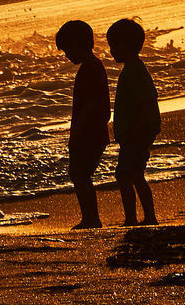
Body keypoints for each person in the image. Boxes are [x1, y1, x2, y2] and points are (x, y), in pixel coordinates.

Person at [55, 20, 110, 229]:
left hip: (89, 132)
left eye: (68, 49)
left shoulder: (90, 69)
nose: (67, 55)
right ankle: (90, 217)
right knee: (80, 173)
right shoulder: (92, 67)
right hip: (92, 131)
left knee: (80, 174)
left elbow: (91, 105)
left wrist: (77, 133)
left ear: (78, 44)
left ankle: (91, 218)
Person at [106, 18, 161, 227]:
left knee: (132, 173)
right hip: (133, 133)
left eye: (114, 46)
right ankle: (133, 217)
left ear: (126, 46)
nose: (111, 51)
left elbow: (147, 102)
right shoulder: (132, 69)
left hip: (137, 133)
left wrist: (136, 131)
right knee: (125, 174)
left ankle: (147, 217)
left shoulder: (135, 72)